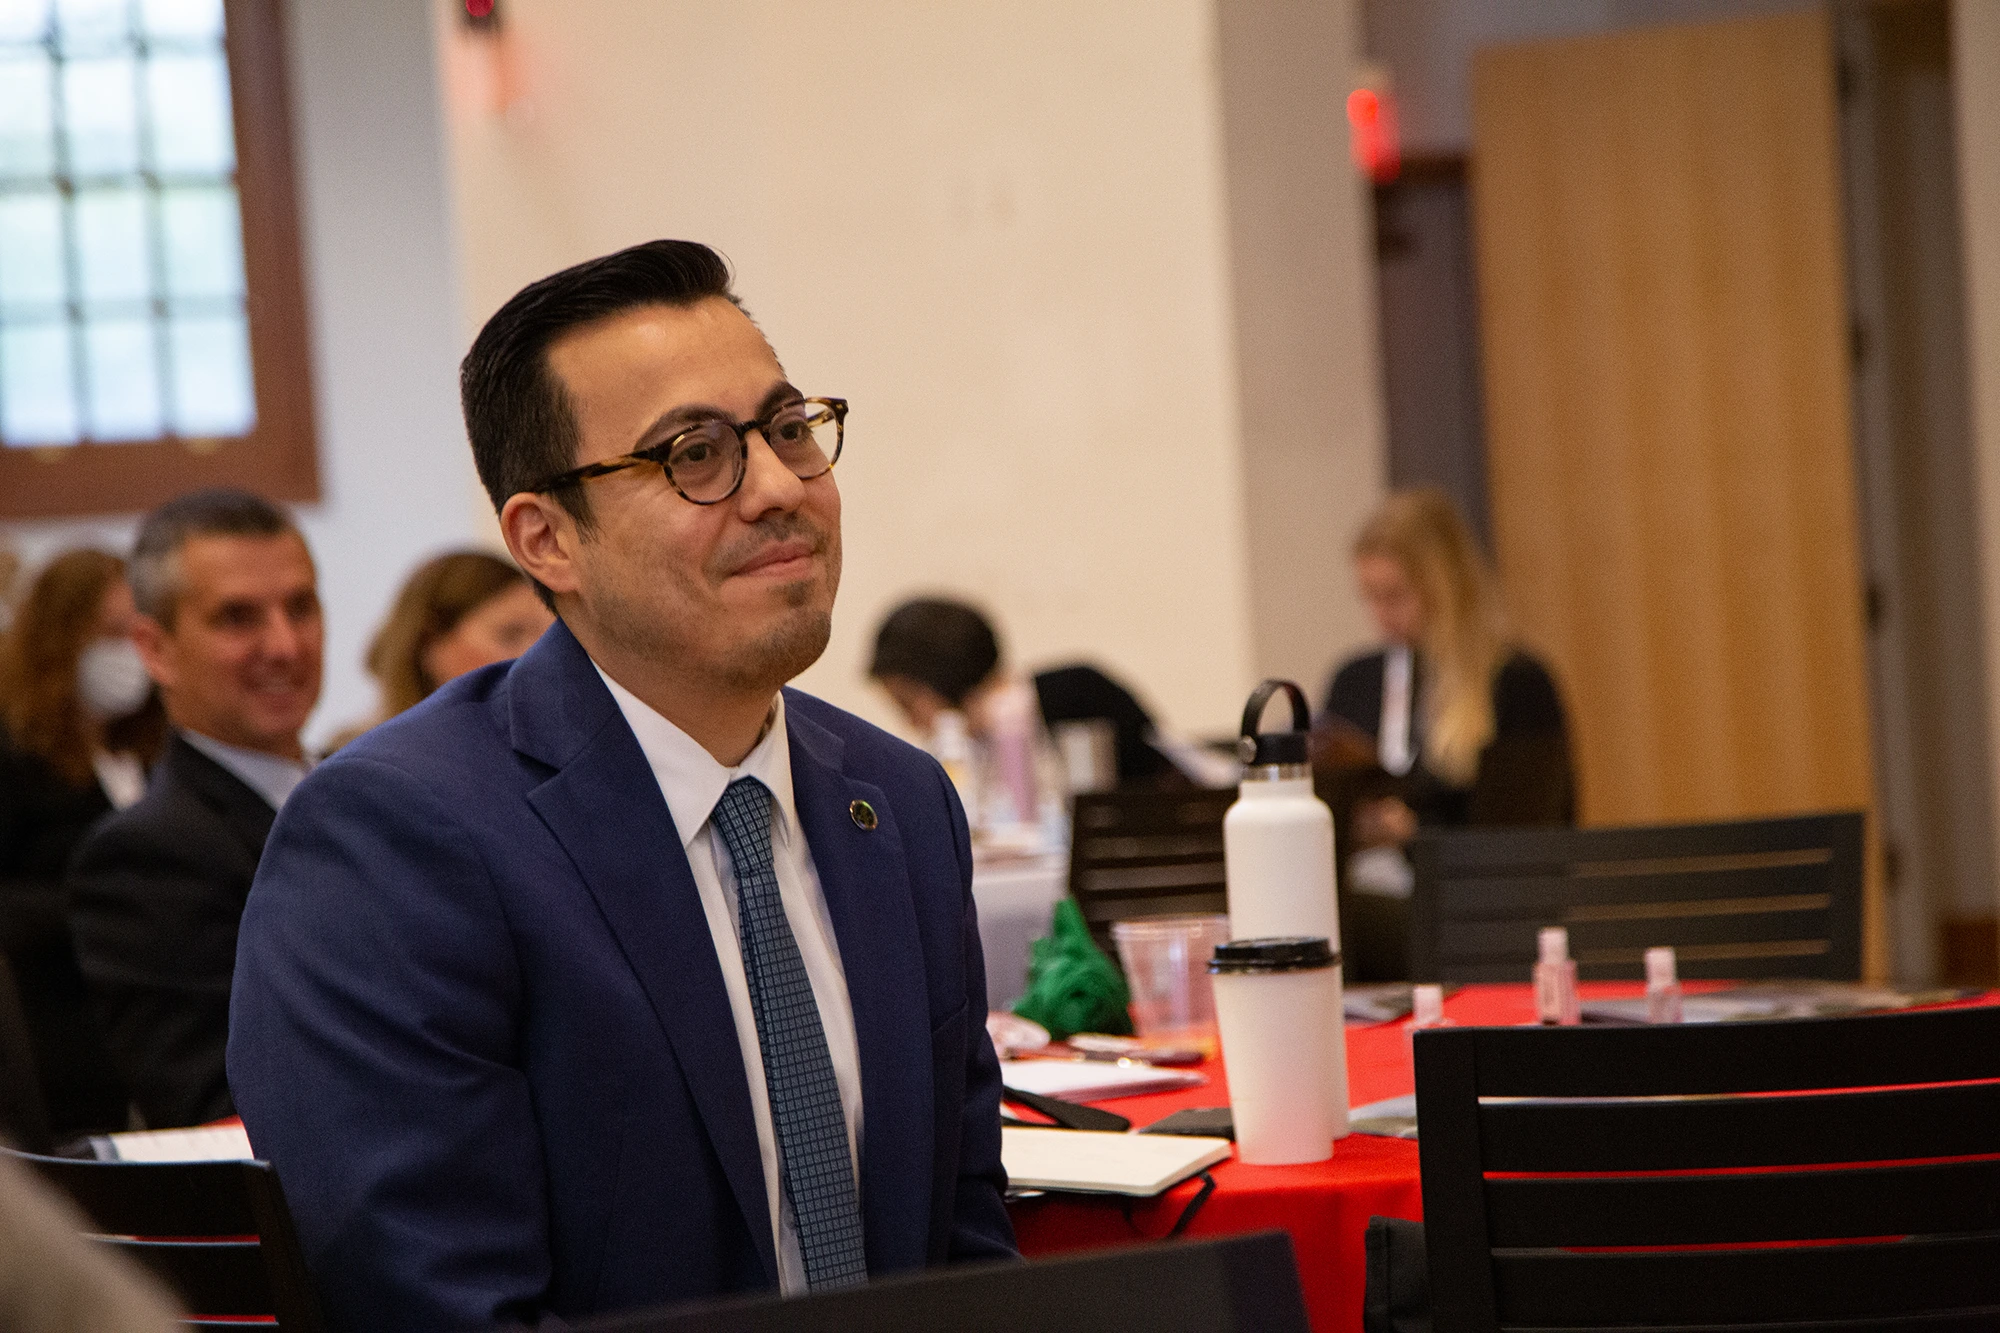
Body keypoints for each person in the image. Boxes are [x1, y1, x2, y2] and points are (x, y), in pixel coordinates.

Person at [228, 240, 1015, 1332]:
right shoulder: (398, 837)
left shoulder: (897, 802)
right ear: (546, 538)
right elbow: (435, 1305)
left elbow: (966, 1249)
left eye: (788, 431)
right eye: (695, 454)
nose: (781, 488)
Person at [66, 490, 322, 1129]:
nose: (286, 646)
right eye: (239, 618)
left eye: (301, 607)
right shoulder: (146, 856)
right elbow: (209, 1114)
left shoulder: (369, 796)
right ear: (156, 650)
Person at [0, 550, 161, 1141]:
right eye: (109, 634)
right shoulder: (17, 757)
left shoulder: (150, 753)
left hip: (145, 1032)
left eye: (136, 634)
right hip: (56, 1039)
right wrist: (92, 901)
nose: (126, 655)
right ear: (62, 639)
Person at [869, 598, 1187, 822]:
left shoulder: (1082, 695)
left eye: (908, 703)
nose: (910, 722)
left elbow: (1167, 791)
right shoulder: (952, 757)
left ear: (946, 678)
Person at [327, 549, 551, 748]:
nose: (539, 655)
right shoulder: (355, 768)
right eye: (510, 635)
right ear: (430, 643)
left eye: (546, 636)